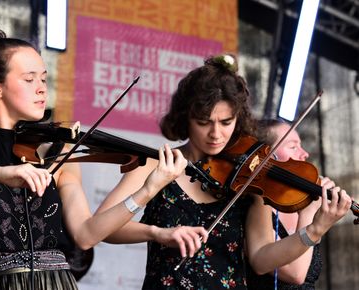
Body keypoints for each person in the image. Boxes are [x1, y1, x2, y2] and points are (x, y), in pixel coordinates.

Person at [0, 30, 195, 290]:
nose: (41, 88)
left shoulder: (57, 154)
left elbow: (86, 235)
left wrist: (147, 190)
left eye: (44, 79)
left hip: (56, 283)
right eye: (29, 79)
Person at [95, 54, 352, 289]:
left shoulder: (250, 177)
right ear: (185, 118)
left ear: (238, 119)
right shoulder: (157, 163)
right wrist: (157, 233)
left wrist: (315, 230)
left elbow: (262, 260)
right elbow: (101, 227)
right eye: (204, 123)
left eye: (226, 122)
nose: (216, 134)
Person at [245, 118, 323, 289]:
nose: (304, 154)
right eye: (293, 146)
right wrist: (309, 216)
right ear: (266, 155)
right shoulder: (256, 204)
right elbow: (295, 274)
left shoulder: (301, 204)